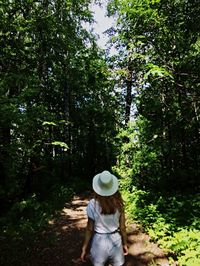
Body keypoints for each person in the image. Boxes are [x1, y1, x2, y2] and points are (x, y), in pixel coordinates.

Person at [80, 170, 128, 266]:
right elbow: (122, 227)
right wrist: (125, 243)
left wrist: (84, 247)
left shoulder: (92, 204)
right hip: (116, 241)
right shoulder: (119, 203)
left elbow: (90, 229)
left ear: (98, 187)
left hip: (99, 243)